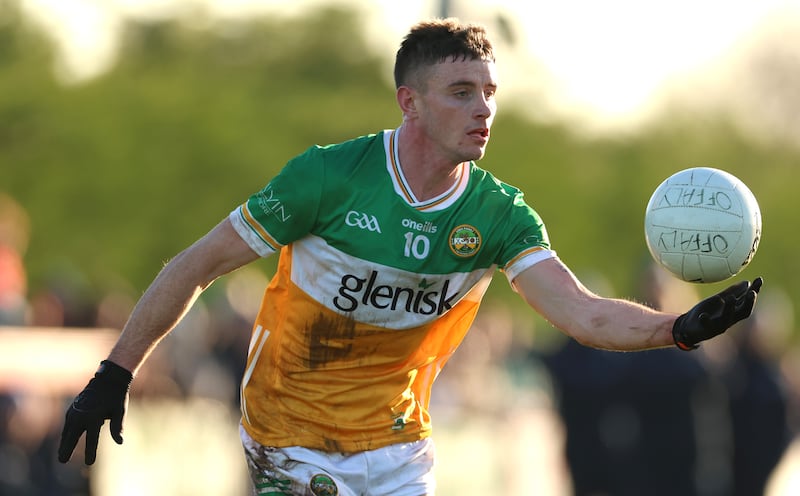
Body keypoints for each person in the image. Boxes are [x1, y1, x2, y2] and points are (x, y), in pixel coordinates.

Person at [57, 18, 763, 495]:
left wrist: (676, 329)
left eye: (489, 93)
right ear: (411, 102)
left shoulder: (499, 214)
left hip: (400, 450)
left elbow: (581, 314)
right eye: (461, 93)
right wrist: (115, 372)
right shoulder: (327, 178)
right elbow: (195, 265)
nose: (483, 109)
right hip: (288, 435)